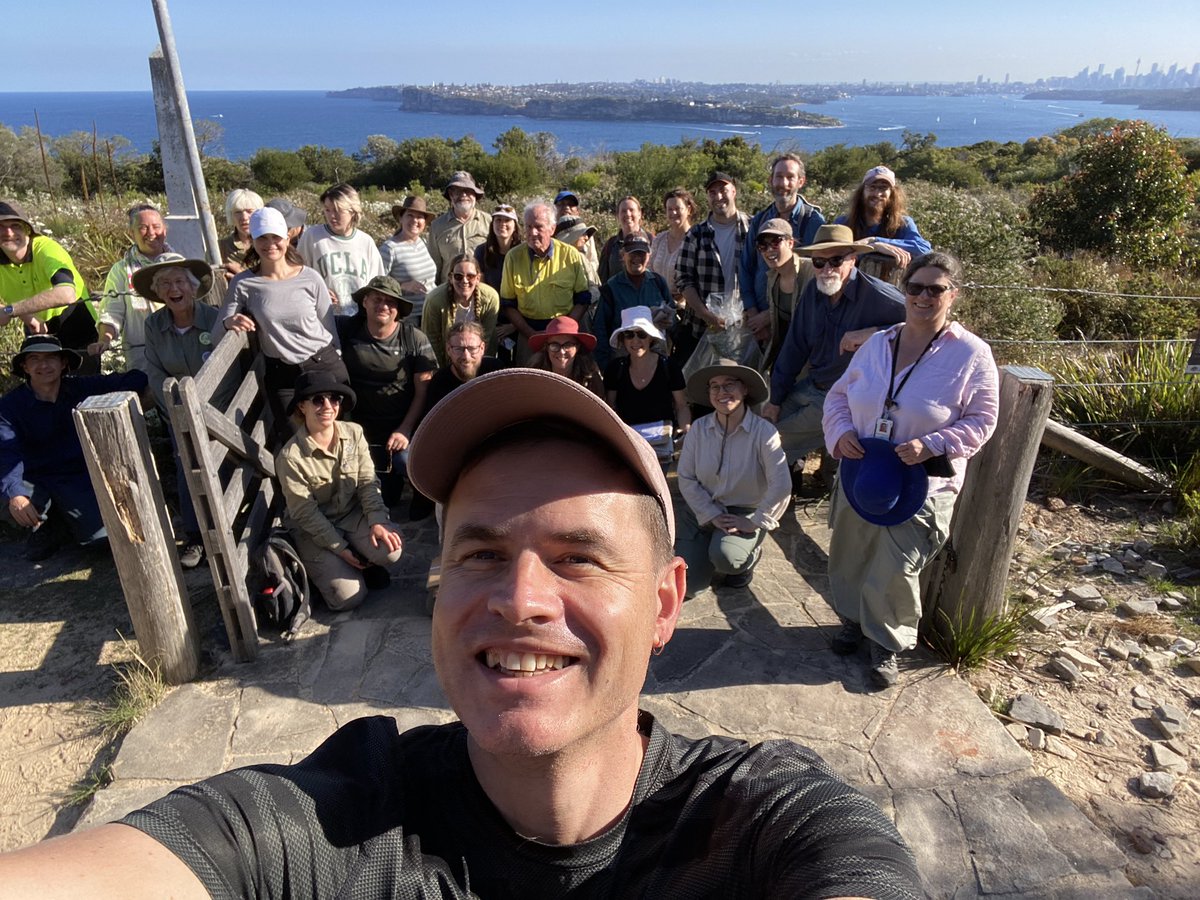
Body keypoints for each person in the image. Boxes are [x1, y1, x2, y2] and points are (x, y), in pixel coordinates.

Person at [0, 368, 921, 898]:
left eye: (577, 558)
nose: (520, 597)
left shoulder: (762, 823)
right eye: (479, 553)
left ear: (665, 604)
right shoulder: (333, 823)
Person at [822, 251, 998, 688]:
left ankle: (886, 641)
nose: (923, 296)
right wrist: (841, 431)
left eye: (935, 289)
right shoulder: (879, 343)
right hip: (863, 473)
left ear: (952, 295)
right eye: (915, 287)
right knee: (851, 550)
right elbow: (839, 396)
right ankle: (852, 619)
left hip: (922, 481)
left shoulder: (972, 354)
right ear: (904, 291)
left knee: (897, 565)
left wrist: (933, 444)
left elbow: (983, 420)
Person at [762, 224, 906, 465]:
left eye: (836, 261)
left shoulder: (878, 296)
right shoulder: (813, 292)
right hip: (812, 386)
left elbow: (929, 328)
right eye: (819, 262)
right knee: (762, 424)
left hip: (846, 399)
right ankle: (784, 492)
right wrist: (775, 399)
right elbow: (794, 347)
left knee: (768, 443)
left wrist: (874, 334)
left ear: (853, 260)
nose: (827, 269)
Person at [0, 336, 147, 561]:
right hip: (34, 479)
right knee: (10, 495)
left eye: (51, 358)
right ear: (24, 367)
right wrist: (16, 494)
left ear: (63, 364)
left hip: (77, 478)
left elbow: (136, 378)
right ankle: (43, 527)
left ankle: (66, 523)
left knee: (100, 539)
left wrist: (112, 402)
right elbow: (7, 454)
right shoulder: (9, 406)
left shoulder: (82, 387)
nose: (43, 365)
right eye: (35, 359)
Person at [274, 371, 404, 611]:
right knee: (347, 599)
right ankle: (335, 565)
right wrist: (340, 549)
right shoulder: (289, 457)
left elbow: (367, 480)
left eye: (334, 399)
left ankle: (362, 560)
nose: (328, 406)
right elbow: (305, 514)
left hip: (350, 514)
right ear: (302, 406)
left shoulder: (353, 432)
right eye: (317, 400)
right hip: (312, 529)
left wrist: (376, 520)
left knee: (391, 551)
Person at [138, 258, 234, 569]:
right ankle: (195, 538)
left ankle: (227, 528)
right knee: (185, 461)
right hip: (178, 413)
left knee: (222, 461)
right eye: (165, 284)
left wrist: (207, 415)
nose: (173, 289)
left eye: (179, 282)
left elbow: (228, 369)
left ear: (193, 288)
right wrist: (180, 416)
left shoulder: (216, 318)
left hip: (220, 409)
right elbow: (155, 374)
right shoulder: (154, 326)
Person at [219, 207, 345, 436]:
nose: (270, 244)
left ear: (287, 238)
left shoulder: (310, 277)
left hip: (323, 362)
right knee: (294, 441)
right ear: (252, 241)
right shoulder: (243, 283)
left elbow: (328, 326)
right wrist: (230, 322)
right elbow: (220, 325)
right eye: (262, 238)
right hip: (283, 374)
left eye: (275, 237)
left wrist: (336, 356)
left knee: (337, 437)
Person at [676, 358, 790, 596]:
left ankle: (747, 559)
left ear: (744, 389)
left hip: (743, 510)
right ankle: (709, 547)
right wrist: (711, 514)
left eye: (729, 384)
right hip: (703, 507)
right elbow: (686, 477)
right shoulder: (698, 429)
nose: (722, 392)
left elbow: (781, 484)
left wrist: (756, 521)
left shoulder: (764, 432)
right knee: (689, 585)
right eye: (715, 386)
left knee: (727, 559)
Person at [336, 275, 438, 510]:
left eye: (390, 302)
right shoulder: (346, 329)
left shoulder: (413, 338)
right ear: (365, 302)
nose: (383, 306)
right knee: (377, 499)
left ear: (398, 309)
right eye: (377, 299)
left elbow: (424, 391)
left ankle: (423, 494)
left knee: (405, 463)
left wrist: (405, 429)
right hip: (359, 428)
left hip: (400, 426)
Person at [0, 200, 98, 373]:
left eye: (15, 225)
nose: (8, 232)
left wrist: (10, 311)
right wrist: (28, 317)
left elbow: (67, 294)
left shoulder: (46, 248)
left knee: (84, 384)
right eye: (1, 226)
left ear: (28, 230)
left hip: (73, 317)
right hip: (34, 323)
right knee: (43, 387)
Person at [499, 200, 592, 364]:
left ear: (552, 228)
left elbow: (582, 300)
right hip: (528, 333)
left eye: (539, 227)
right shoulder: (513, 257)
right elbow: (508, 304)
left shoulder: (570, 256)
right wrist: (531, 334)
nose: (532, 232)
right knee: (529, 384)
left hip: (565, 334)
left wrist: (563, 332)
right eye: (528, 226)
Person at [739, 153, 825, 323]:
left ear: (801, 181)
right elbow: (745, 268)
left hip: (797, 320)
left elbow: (818, 276)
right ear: (771, 180)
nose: (783, 183)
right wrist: (753, 312)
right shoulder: (760, 220)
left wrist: (770, 316)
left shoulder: (813, 222)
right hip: (759, 321)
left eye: (790, 177)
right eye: (779, 177)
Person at [92, 204, 178, 372]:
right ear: (132, 233)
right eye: (143, 228)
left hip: (181, 350)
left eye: (156, 226)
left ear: (165, 231)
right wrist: (105, 340)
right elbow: (111, 312)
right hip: (143, 357)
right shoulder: (121, 270)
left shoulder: (180, 263)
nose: (151, 233)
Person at [604, 307, 690, 450]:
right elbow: (611, 408)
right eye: (629, 335)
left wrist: (687, 433)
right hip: (629, 445)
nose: (635, 340)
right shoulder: (615, 369)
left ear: (650, 337)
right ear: (623, 339)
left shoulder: (669, 366)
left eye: (641, 334)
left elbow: (681, 405)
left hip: (663, 444)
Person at [674, 172, 749, 333]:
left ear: (734, 191)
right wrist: (705, 315)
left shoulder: (752, 228)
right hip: (701, 328)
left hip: (745, 326)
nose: (718, 196)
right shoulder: (696, 234)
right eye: (712, 192)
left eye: (723, 190)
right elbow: (682, 278)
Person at [297, 183, 385, 315]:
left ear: (352, 211)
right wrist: (317, 291)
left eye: (337, 211)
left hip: (360, 321)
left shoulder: (366, 242)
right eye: (327, 210)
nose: (332, 216)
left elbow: (378, 285)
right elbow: (296, 276)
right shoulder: (313, 237)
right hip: (323, 319)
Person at [593, 231, 672, 369]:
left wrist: (669, 321)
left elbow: (673, 319)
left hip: (655, 360)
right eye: (632, 253)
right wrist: (606, 368)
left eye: (641, 253)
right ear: (623, 255)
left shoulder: (659, 283)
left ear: (649, 255)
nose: (637, 258)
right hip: (622, 361)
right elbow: (600, 330)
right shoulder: (611, 288)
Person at [836, 166, 932, 274]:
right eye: (872, 187)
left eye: (883, 188)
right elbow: (834, 254)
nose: (877, 194)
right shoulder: (843, 223)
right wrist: (874, 248)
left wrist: (875, 240)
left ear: (892, 193)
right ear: (862, 191)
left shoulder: (903, 223)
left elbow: (923, 249)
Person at [648, 188, 700, 364]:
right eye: (669, 209)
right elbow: (649, 272)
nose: (673, 213)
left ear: (689, 209)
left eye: (678, 208)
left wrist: (680, 302)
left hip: (684, 313)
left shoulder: (697, 239)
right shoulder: (659, 239)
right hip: (656, 309)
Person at [421, 254, 500, 368]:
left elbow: (486, 337)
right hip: (446, 360)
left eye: (470, 276)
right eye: (458, 276)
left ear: (478, 278)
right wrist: (441, 370)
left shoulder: (490, 297)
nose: (464, 281)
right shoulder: (435, 300)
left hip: (480, 358)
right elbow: (431, 340)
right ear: (450, 278)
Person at [754, 217, 812, 369]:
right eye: (763, 245)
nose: (769, 250)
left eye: (775, 242)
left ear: (790, 243)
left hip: (814, 358)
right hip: (789, 354)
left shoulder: (813, 270)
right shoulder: (772, 279)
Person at [378, 195, 438, 323]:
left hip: (430, 312)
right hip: (409, 317)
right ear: (401, 218)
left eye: (420, 217)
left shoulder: (421, 242)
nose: (415, 220)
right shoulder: (389, 248)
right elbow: (378, 284)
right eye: (410, 215)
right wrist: (402, 286)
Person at [423, 320, 503, 411]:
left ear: (482, 348)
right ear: (448, 349)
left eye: (472, 349)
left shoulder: (496, 372)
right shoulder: (439, 384)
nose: (466, 356)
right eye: (459, 349)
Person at [427, 171, 491, 284]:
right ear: (451, 195)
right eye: (457, 191)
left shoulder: (489, 222)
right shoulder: (436, 226)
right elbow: (433, 266)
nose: (463, 195)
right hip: (449, 291)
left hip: (482, 290)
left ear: (475, 194)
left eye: (468, 190)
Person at [527, 315, 603, 397]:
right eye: (554, 345)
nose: (561, 352)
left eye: (568, 345)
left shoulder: (591, 378)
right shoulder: (533, 377)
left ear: (577, 347)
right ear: (546, 348)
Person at [597, 195, 653, 284]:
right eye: (623, 211)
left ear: (640, 214)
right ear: (618, 216)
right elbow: (603, 279)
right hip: (616, 297)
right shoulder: (610, 245)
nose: (627, 214)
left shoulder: (652, 241)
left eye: (631, 210)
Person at [473, 202, 521, 292]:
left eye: (507, 220)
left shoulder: (523, 251)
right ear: (492, 224)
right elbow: (481, 287)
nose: (502, 224)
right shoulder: (481, 251)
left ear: (515, 226)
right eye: (498, 220)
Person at [218, 188, 263, 277]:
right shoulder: (222, 247)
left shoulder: (269, 243)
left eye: (249, 211)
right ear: (231, 215)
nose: (244, 217)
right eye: (238, 212)